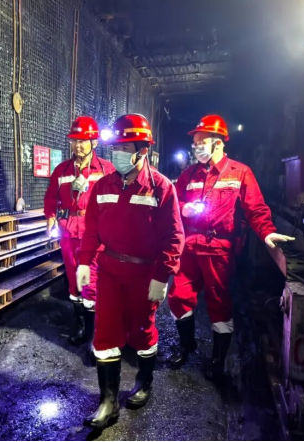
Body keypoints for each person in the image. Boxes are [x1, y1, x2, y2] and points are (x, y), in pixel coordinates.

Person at [77, 114, 185, 430]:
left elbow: (174, 237)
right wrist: (84, 261)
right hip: (110, 270)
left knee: (142, 332)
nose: (117, 155)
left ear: (142, 151)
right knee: (105, 333)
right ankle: (108, 402)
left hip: (144, 273)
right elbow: (91, 228)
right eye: (115, 148)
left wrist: (162, 276)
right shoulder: (103, 185)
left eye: (124, 148)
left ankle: (144, 382)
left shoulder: (162, 188)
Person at [167, 114, 294, 381]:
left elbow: (255, 208)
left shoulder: (240, 173)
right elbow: (174, 202)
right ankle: (187, 345)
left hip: (219, 248)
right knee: (178, 296)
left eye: (201, 142)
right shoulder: (189, 174)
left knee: (219, 303)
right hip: (190, 245)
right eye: (195, 143)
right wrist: (184, 208)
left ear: (219, 143)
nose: (196, 147)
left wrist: (267, 232)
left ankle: (218, 359)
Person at [43, 116, 115, 364]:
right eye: (74, 141)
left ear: (94, 142)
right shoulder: (62, 170)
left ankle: (95, 339)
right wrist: (51, 217)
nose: (78, 145)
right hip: (68, 234)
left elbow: (116, 200)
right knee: (74, 283)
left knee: (91, 284)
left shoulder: (106, 170)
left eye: (83, 141)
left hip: (94, 236)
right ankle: (81, 327)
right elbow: (51, 197)